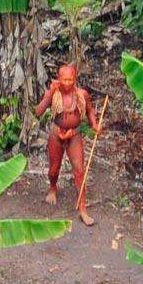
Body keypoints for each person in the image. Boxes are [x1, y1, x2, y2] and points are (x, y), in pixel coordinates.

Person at [34, 64, 101, 226]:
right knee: (53, 170)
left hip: (74, 135)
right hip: (56, 135)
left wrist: (95, 124)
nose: (66, 83)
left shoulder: (81, 95)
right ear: (58, 79)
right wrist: (49, 94)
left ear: (75, 79)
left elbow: (90, 110)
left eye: (70, 79)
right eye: (63, 79)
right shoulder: (53, 94)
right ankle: (52, 188)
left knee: (79, 171)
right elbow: (38, 111)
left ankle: (83, 208)